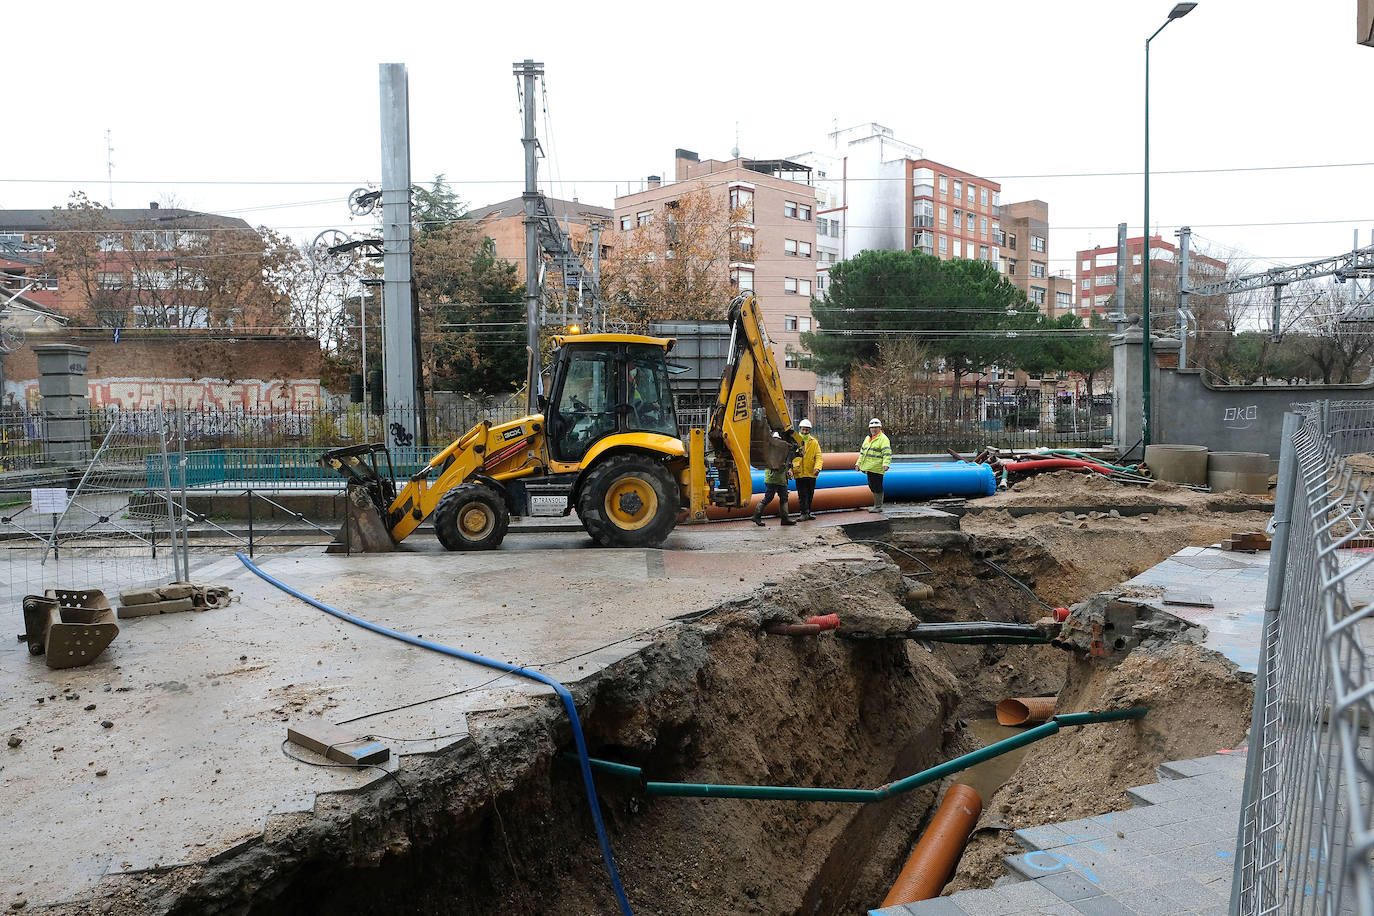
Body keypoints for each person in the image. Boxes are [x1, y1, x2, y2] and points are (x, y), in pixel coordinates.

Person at [753, 434, 796, 527]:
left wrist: (788, 471)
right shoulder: (772, 451)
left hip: (780, 479)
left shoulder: (779, 450)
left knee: (784, 498)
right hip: (773, 479)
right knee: (769, 498)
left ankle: (785, 519)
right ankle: (756, 516)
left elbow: (786, 464)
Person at [856, 417, 891, 513]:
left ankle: (878, 506)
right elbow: (862, 453)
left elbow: (887, 453)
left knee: (877, 487)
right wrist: (858, 463)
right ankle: (876, 505)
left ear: (880, 428)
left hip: (877, 468)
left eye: (876, 427)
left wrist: (886, 463)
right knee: (872, 486)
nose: (874, 429)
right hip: (869, 468)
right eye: (872, 428)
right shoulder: (867, 439)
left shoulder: (883, 439)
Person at [792, 419, 823, 520]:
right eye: (803, 430)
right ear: (800, 429)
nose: (805, 432)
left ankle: (807, 513)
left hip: (811, 473)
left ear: (810, 430)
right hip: (799, 472)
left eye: (807, 430)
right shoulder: (795, 441)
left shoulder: (814, 442)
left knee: (810, 494)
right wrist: (790, 470)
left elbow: (818, 457)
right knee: (802, 494)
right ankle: (803, 513)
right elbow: (790, 456)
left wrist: (817, 468)